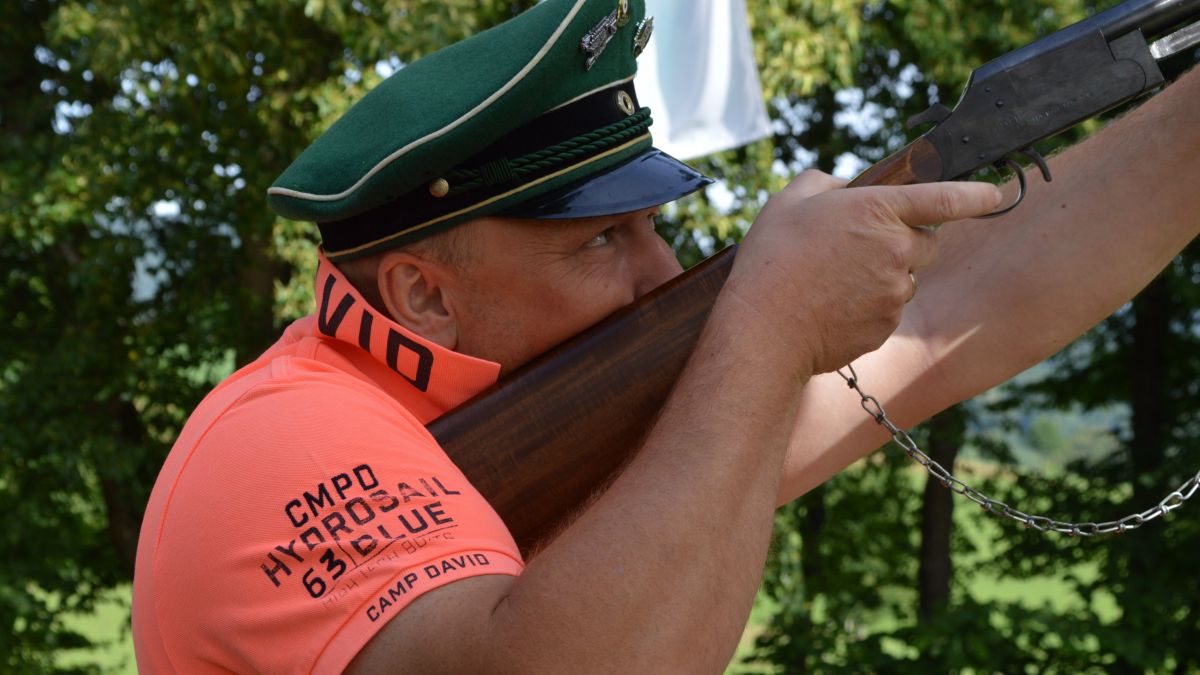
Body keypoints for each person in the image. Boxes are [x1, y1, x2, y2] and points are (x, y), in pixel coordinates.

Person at [131, 0, 1199, 672]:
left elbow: (949, 312)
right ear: (421, 296)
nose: (668, 275)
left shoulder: (559, 414)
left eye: (656, 226)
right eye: (602, 244)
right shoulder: (285, 439)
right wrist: (770, 328)